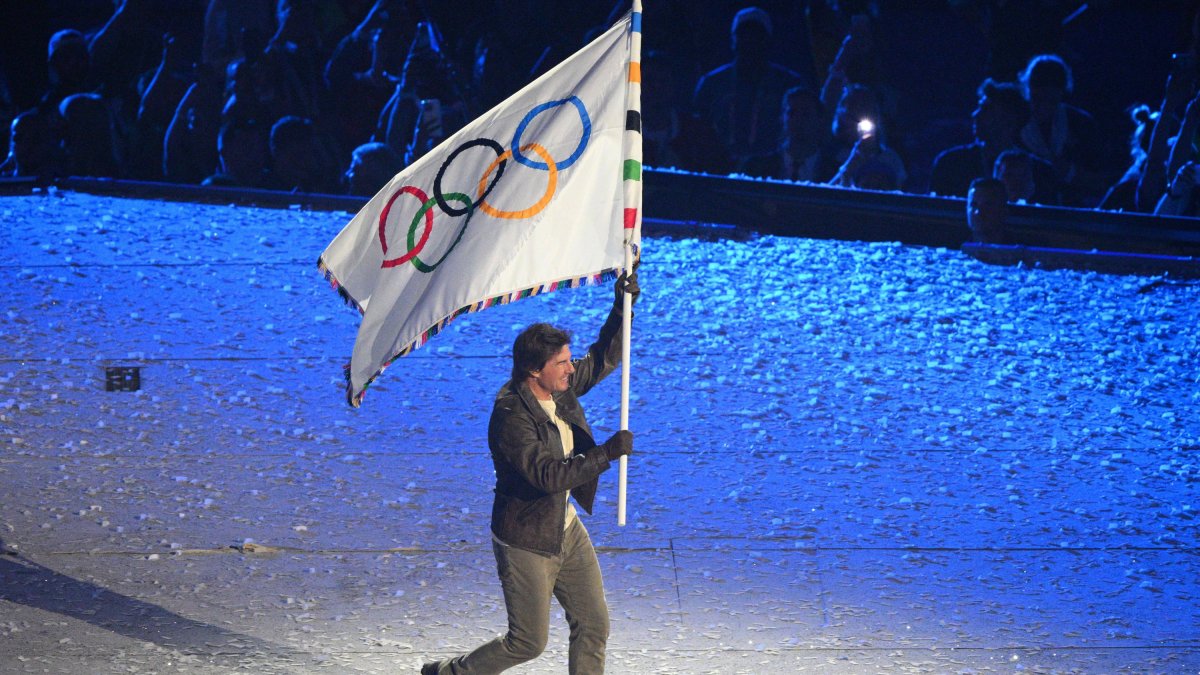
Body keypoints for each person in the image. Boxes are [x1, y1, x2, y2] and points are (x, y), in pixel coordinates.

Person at [421, 270, 640, 675]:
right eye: (561, 363)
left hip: (565, 528)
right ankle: (455, 672)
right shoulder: (511, 417)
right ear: (533, 371)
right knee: (527, 642)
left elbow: (604, 358)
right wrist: (606, 452)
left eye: (569, 359)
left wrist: (622, 308)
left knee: (593, 624)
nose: (571, 368)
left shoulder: (560, 386)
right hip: (526, 540)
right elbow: (548, 476)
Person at [691, 7, 804, 172]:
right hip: (717, 169)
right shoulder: (712, 83)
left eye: (757, 35)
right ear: (733, 40)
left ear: (768, 40)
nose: (750, 40)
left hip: (773, 170)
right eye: (743, 34)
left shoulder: (788, 84)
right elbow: (696, 128)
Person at [966, 176, 1009, 244]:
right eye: (973, 205)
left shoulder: (1021, 252)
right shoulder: (953, 248)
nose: (978, 212)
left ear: (1004, 211)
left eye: (987, 205)